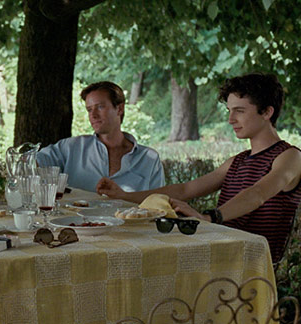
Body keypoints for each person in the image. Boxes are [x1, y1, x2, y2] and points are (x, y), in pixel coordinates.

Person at [96, 73, 301, 261]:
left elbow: (258, 193)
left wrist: (210, 217)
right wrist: (122, 195)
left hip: (252, 266)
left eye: (239, 111)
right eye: (229, 111)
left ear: (267, 112)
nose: (231, 120)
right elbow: (185, 189)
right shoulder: (237, 161)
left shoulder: (290, 157)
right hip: (220, 254)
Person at [36, 81, 165, 192]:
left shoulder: (149, 159)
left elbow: (157, 205)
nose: (93, 115)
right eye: (89, 109)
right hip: (78, 221)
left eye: (100, 107)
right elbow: (30, 163)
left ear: (119, 109)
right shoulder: (70, 148)